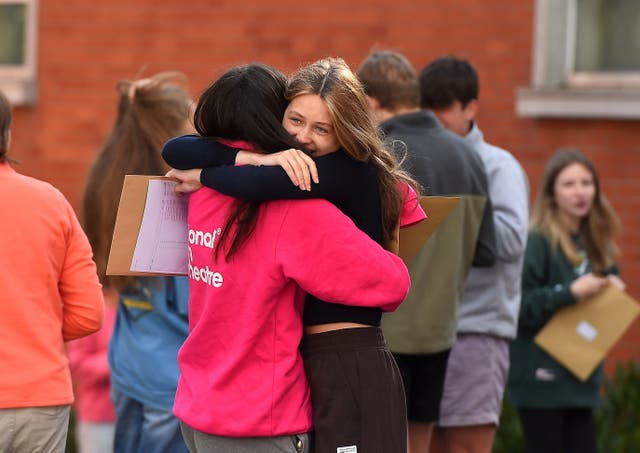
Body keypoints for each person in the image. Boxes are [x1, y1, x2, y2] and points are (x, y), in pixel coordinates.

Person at [164, 58, 424, 453]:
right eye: (295, 120)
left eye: (322, 128)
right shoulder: (285, 198)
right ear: (275, 119)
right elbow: (181, 149)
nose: (303, 138)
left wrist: (204, 177)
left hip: (340, 360)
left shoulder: (327, 176)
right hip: (275, 396)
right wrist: (245, 161)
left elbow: (394, 283)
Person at [356, 51, 496, 453]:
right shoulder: (468, 154)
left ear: (369, 102)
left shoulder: (375, 155)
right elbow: (487, 251)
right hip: (439, 332)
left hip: (379, 332)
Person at [417, 56, 530, 453]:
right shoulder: (419, 159)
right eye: (426, 108)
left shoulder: (499, 166)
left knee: (464, 446)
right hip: (424, 332)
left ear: (471, 108)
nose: (435, 118)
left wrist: (446, 225)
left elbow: (513, 240)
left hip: (474, 331)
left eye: (444, 108)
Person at [82, 72, 193, 453]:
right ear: (174, 125)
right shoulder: (174, 195)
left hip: (129, 365)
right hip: (173, 377)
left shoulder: (107, 180)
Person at [0, 89, 104, 451]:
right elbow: (89, 314)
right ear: (8, 135)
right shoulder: (51, 202)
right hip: (40, 396)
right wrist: (34, 327)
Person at [506, 149, 623, 453]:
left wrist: (612, 293)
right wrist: (570, 292)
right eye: (569, 184)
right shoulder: (538, 241)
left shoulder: (597, 241)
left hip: (580, 377)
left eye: (587, 182)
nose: (580, 191)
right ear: (552, 193)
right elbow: (519, 307)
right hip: (540, 378)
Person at [67, 294, 117, 453]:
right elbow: (76, 363)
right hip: (99, 420)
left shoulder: (137, 309)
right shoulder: (94, 313)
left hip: (135, 417)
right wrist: (115, 361)